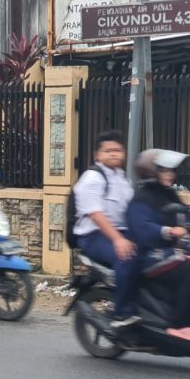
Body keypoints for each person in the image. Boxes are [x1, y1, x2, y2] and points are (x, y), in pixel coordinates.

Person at [126, 149, 190, 342]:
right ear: (151, 172)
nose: (170, 175)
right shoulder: (142, 198)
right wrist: (168, 231)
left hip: (170, 251)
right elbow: (143, 229)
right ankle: (179, 324)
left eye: (171, 171)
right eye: (164, 171)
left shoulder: (168, 194)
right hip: (149, 255)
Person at [71, 129, 139, 327]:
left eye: (117, 150)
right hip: (94, 235)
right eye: (108, 150)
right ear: (97, 155)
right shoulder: (92, 178)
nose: (113, 153)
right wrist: (118, 240)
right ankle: (120, 312)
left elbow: (130, 210)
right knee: (126, 258)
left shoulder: (122, 178)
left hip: (119, 231)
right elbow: (96, 214)